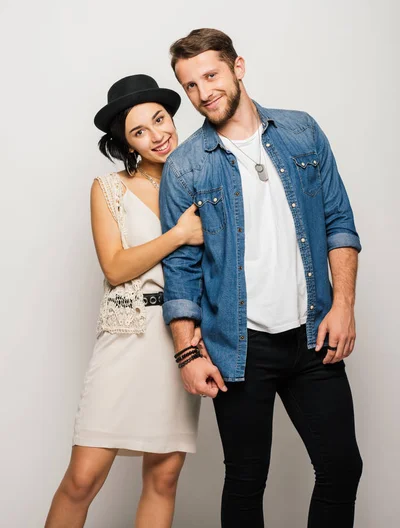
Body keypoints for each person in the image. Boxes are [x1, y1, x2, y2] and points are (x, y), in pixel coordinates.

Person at [159, 29, 363, 527]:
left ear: (238, 67)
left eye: (211, 75)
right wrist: (188, 352)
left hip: (314, 335)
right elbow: (181, 272)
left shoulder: (301, 132)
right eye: (190, 85)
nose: (204, 92)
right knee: (247, 480)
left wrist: (343, 305)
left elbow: (339, 222)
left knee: (341, 467)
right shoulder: (185, 166)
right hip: (239, 346)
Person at [45, 74, 202, 528]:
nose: (157, 135)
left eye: (160, 119)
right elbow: (114, 267)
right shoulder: (108, 188)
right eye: (140, 132)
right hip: (126, 336)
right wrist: (179, 235)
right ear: (127, 143)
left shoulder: (199, 181)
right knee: (82, 478)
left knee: (165, 476)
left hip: (181, 340)